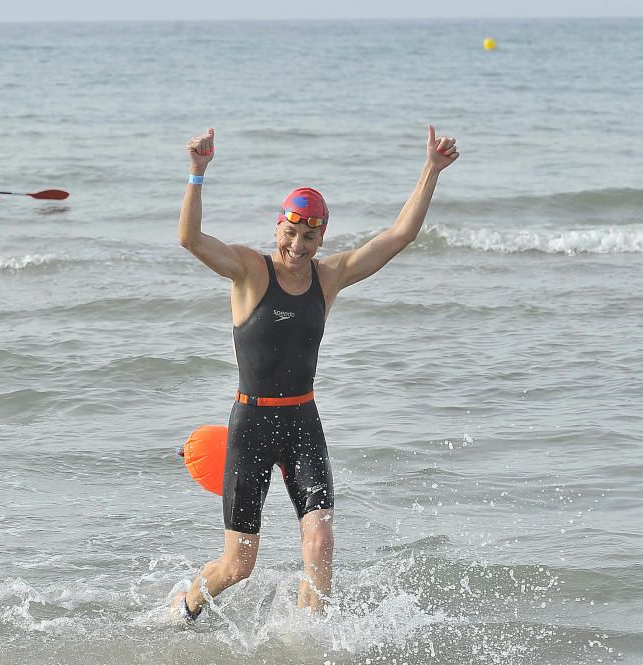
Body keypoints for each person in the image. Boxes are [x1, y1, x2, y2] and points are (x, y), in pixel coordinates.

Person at [174, 125, 459, 620]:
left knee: (321, 537)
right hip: (253, 424)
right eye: (290, 232)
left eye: (309, 236)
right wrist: (197, 173)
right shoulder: (250, 271)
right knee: (239, 564)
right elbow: (190, 239)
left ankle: (309, 637)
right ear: (276, 227)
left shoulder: (329, 278)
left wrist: (430, 170)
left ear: (321, 235)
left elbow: (399, 236)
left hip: (303, 421)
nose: (298, 245)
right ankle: (182, 609)